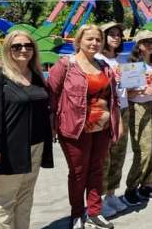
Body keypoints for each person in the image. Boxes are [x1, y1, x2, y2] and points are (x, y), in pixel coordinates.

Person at [48, 25, 121, 229]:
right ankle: (77, 214)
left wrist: (118, 123)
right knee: (79, 172)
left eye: (98, 39)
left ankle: (95, 212)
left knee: (97, 170)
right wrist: (51, 123)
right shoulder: (66, 64)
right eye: (89, 39)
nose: (94, 43)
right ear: (78, 41)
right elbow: (52, 94)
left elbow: (113, 98)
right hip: (75, 127)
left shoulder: (103, 65)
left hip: (102, 128)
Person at [0, 30, 53, 229]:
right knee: (4, 202)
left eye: (28, 46)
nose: (24, 50)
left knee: (25, 198)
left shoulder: (37, 76)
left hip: (36, 147)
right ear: (8, 49)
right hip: (9, 149)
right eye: (17, 46)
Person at [122, 30, 152, 205]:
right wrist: (141, 90)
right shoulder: (132, 65)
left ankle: (146, 185)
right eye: (146, 42)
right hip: (139, 107)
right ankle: (131, 188)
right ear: (138, 45)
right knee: (144, 150)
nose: (150, 45)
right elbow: (127, 93)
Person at [95, 22, 131, 218]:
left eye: (118, 34)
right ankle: (97, 199)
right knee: (105, 156)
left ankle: (111, 193)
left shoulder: (123, 60)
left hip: (124, 108)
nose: (116, 37)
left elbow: (130, 86)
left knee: (119, 153)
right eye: (111, 34)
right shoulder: (97, 60)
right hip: (107, 111)